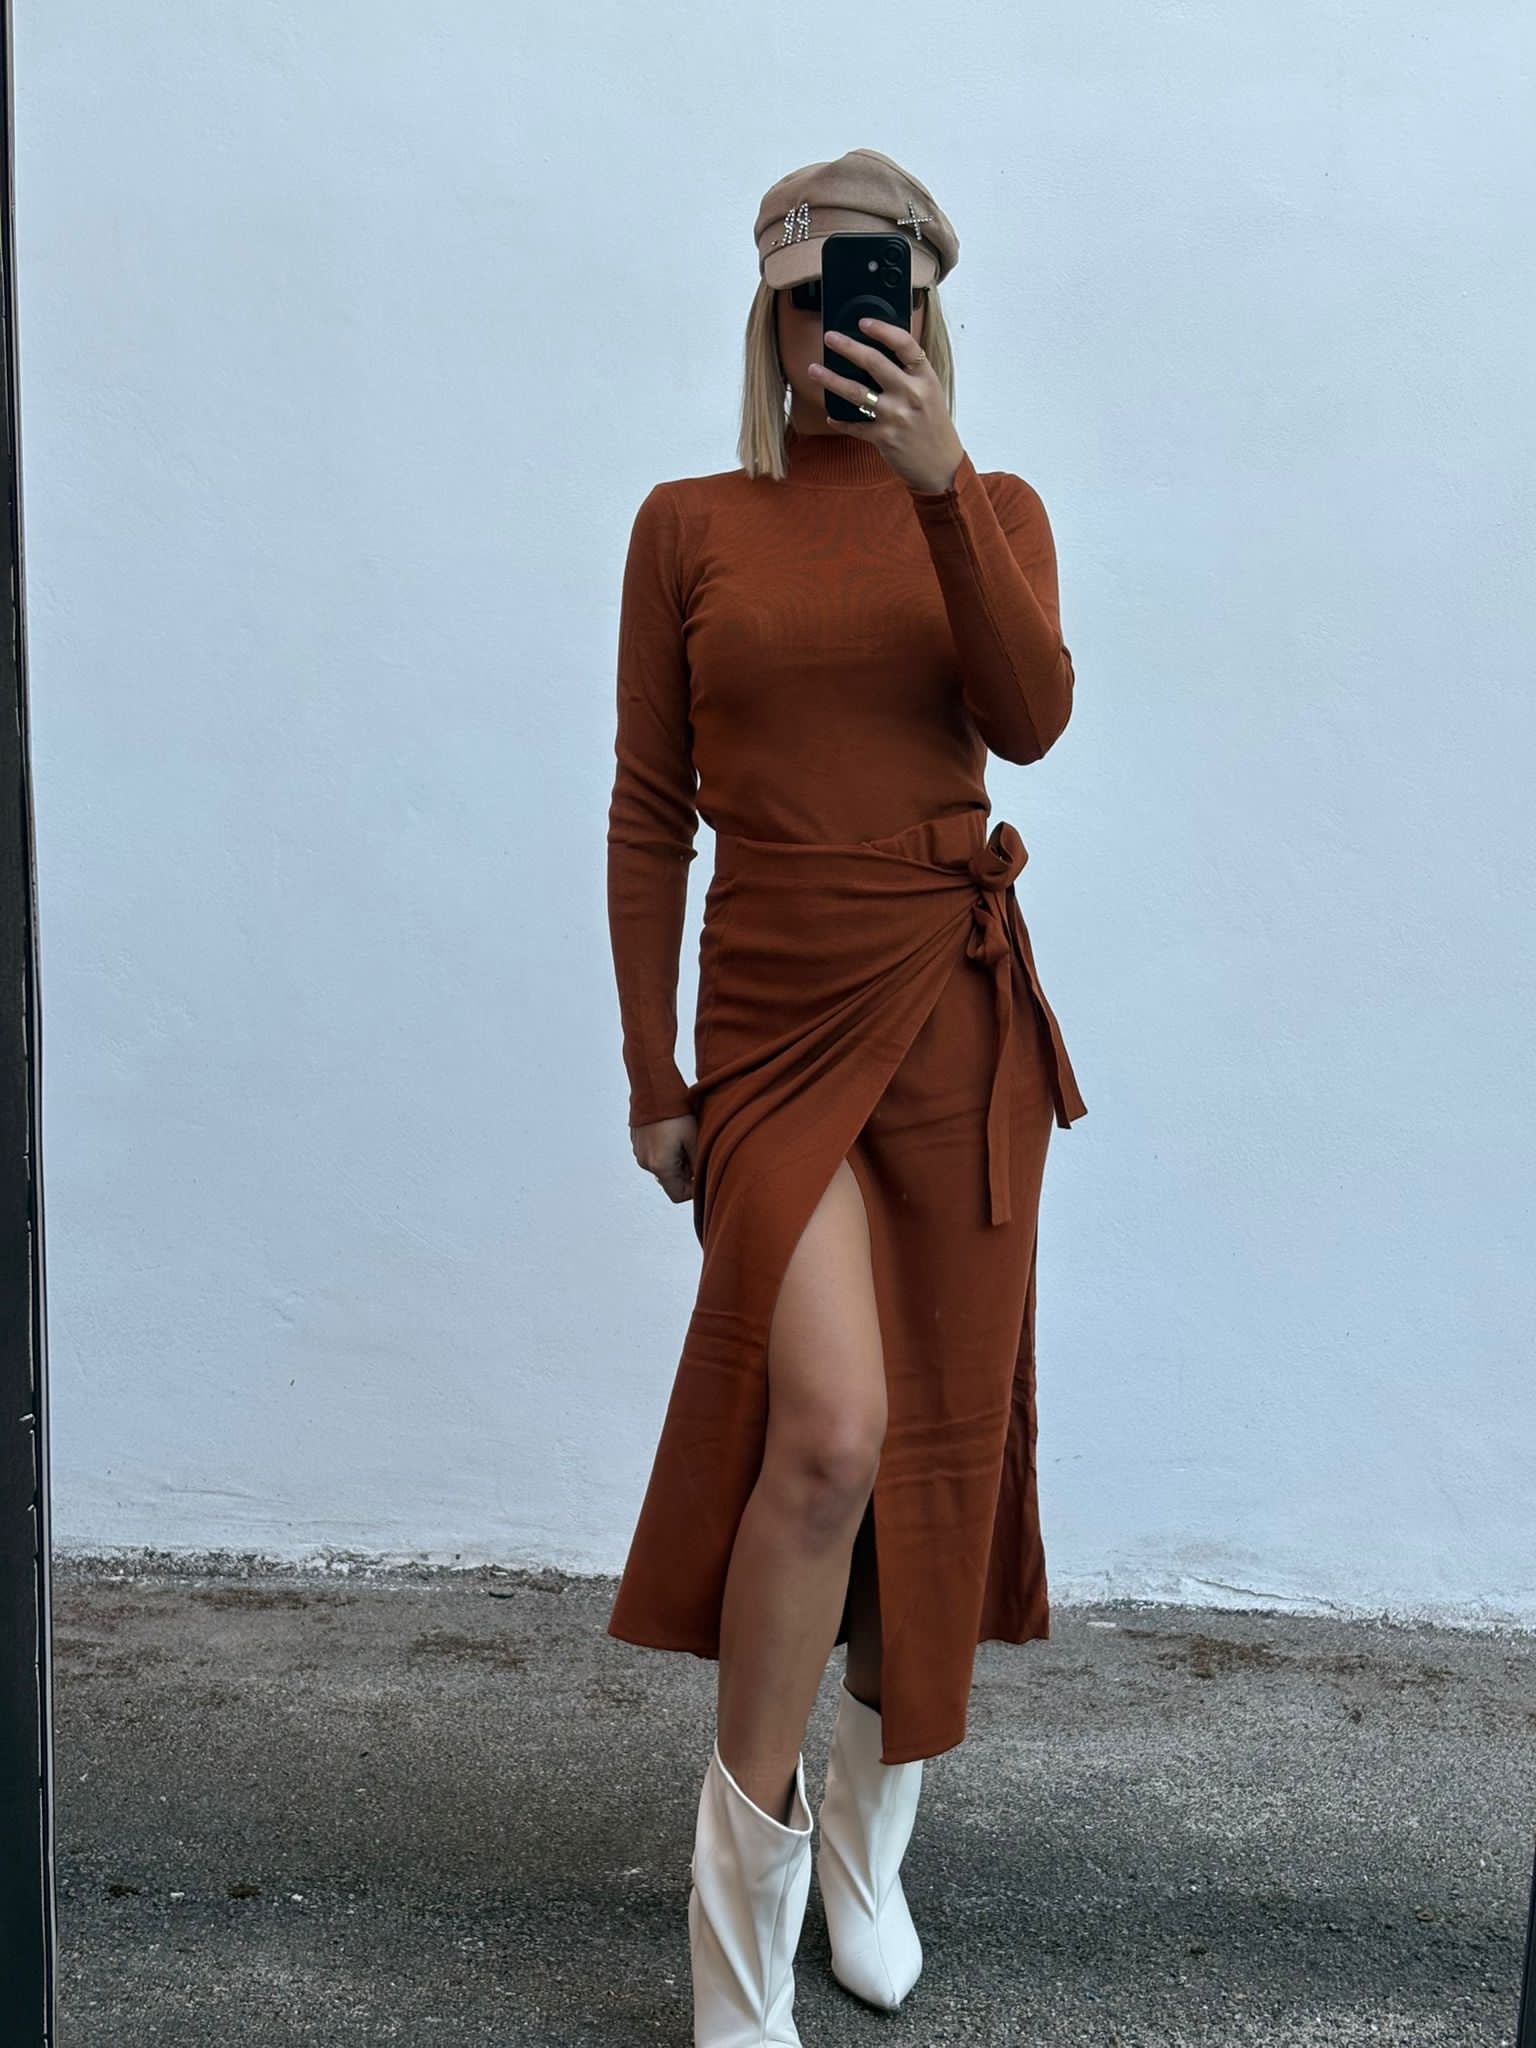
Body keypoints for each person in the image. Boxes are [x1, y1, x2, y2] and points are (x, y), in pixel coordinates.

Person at [604, 147, 1089, 2046]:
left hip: (952, 1020)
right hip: (777, 1023)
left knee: (932, 1455)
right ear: (769, 314)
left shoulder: (995, 505)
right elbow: (651, 813)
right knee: (825, 1437)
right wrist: (653, 1069)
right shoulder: (686, 526)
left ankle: (872, 1857)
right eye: (808, 298)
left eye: (872, 297)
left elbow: (1031, 716)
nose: (837, 329)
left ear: (926, 314)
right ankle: (738, 1932)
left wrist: (941, 486)